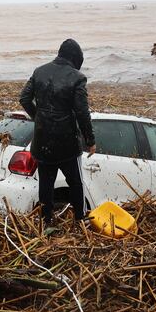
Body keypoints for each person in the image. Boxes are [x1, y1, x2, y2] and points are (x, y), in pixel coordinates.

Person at [19, 38, 95, 226]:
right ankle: (80, 218)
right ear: (76, 58)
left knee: (46, 184)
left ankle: (46, 221)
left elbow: (24, 98)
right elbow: (82, 112)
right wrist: (90, 139)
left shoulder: (39, 71)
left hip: (42, 141)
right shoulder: (77, 78)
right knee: (76, 182)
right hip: (67, 143)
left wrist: (38, 117)